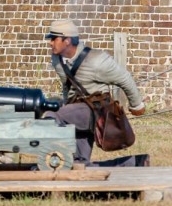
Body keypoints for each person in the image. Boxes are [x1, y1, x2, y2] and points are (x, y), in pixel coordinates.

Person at [43, 18, 145, 165]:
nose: (50, 42)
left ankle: (51, 160)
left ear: (67, 40)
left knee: (54, 116)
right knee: (79, 164)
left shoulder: (97, 60)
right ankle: (134, 163)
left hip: (96, 110)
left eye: (54, 38)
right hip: (77, 111)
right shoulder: (57, 60)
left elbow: (124, 78)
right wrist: (67, 105)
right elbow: (67, 86)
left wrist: (136, 105)